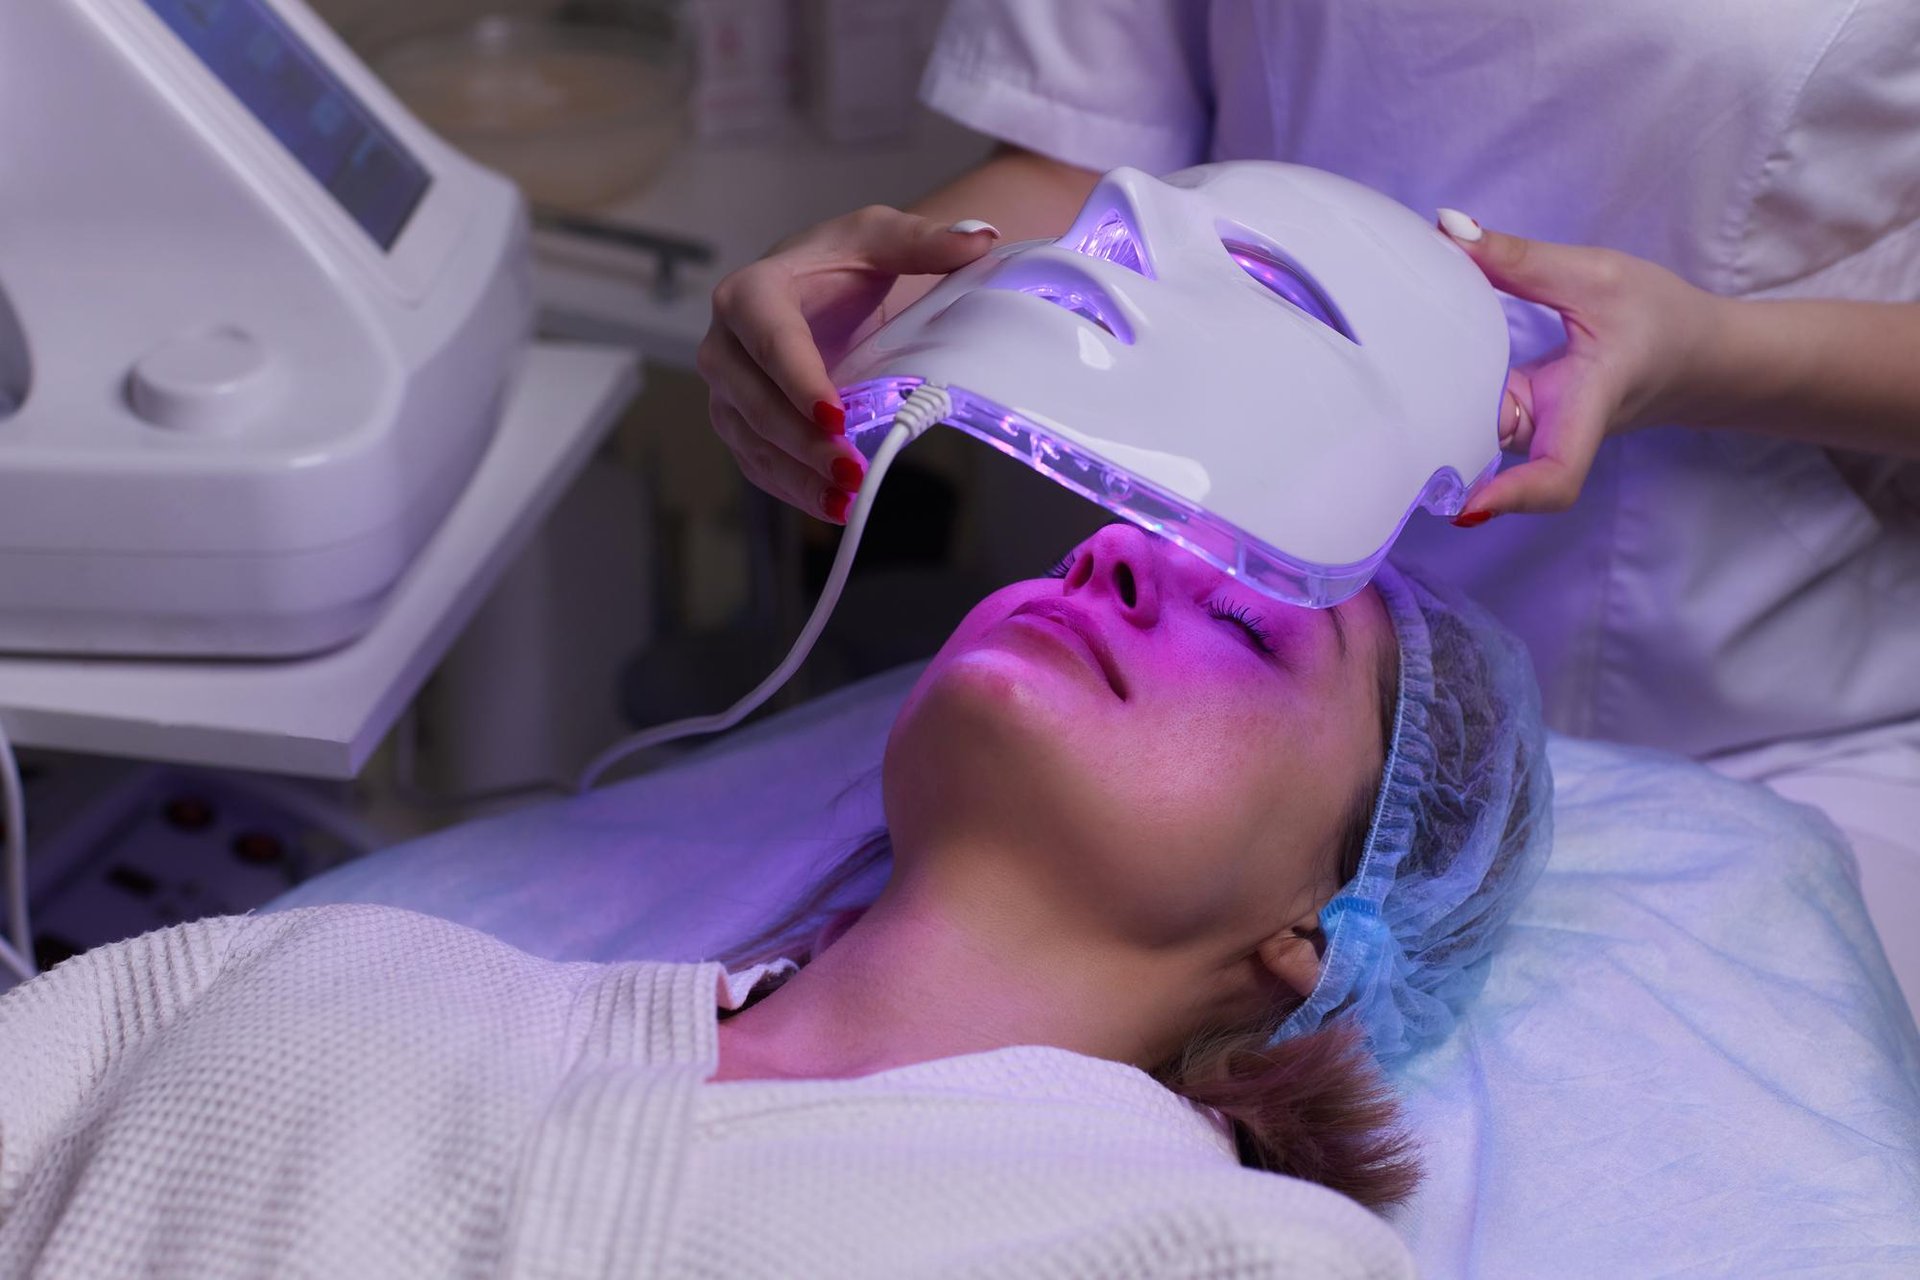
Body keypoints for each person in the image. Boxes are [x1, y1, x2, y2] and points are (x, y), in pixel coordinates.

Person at [695, 0, 1920, 1007]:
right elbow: (1091, 157)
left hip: (1743, 708)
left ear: (1307, 956)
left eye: (1244, 625)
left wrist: (1708, 354)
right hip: (1224, 642)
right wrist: (918, 301)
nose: (1110, 562)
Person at [0, 526, 1548, 1276]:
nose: (1127, 571)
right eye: (1121, 542)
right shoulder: (313, 969)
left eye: (1261, 634)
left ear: (1320, 930)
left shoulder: (1226, 1255)